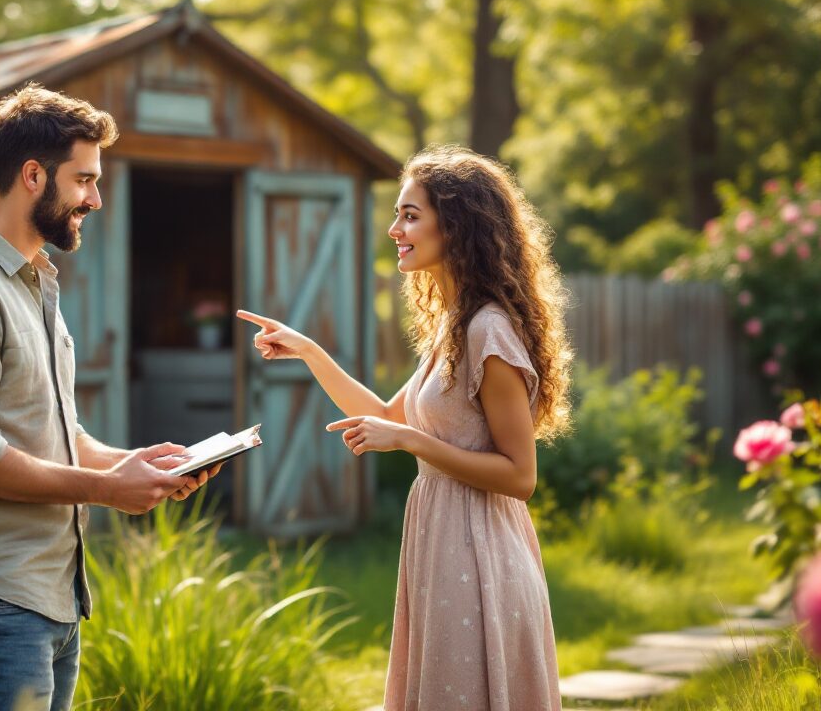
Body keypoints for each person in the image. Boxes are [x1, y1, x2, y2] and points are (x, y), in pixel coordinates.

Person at [0, 84, 220, 711]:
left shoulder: (30, 281)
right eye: (85, 180)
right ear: (33, 175)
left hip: (50, 592)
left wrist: (133, 466)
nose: (95, 199)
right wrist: (104, 489)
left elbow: (49, 430)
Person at [238, 144, 571, 710]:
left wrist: (414, 442)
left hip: (483, 552)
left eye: (410, 215)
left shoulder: (487, 331)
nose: (394, 229)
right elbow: (388, 416)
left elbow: (520, 476)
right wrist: (310, 351)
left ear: (458, 225)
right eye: (397, 214)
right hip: (442, 543)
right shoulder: (454, 328)